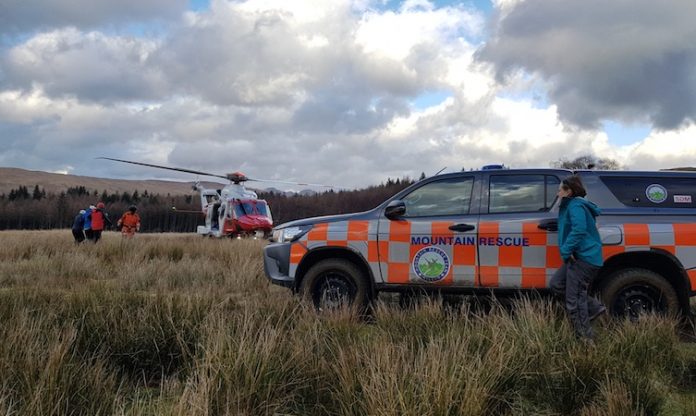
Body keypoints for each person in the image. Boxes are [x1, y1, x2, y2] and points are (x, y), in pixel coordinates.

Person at [550, 175, 606, 341]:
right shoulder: (571, 205)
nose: (558, 192)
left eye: (561, 189)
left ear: (569, 191)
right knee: (557, 284)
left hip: (583, 258)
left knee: (575, 299)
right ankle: (594, 308)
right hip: (578, 257)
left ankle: (585, 339)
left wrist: (566, 251)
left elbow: (579, 229)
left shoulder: (575, 206)